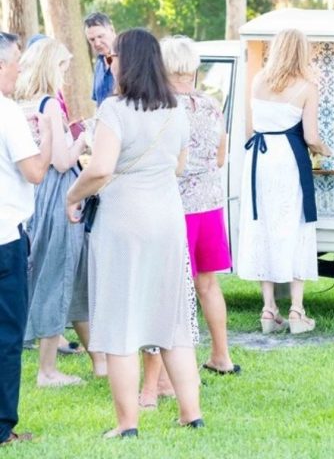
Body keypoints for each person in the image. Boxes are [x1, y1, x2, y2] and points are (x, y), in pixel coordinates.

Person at [66, 28, 203, 438]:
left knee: (121, 321)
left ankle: (127, 423)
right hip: (167, 220)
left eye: (114, 58)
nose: (110, 63)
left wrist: (72, 196)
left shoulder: (114, 110)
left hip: (124, 222)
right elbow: (178, 167)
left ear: (125, 62)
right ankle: (190, 413)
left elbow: (101, 167)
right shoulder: (177, 110)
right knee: (172, 319)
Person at [236, 29, 330, 335]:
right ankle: (296, 311)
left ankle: (268, 309)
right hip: (288, 161)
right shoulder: (307, 87)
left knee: (264, 225)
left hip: (260, 160)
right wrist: (324, 150)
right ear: (302, 53)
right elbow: (311, 136)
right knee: (293, 226)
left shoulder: (258, 80)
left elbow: (252, 127)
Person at [14, 38, 95, 387]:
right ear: (51, 67)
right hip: (58, 193)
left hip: (33, 192)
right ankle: (47, 370)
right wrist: (84, 138)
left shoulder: (19, 103)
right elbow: (62, 161)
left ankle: (99, 359)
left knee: (73, 276)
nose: (64, 74)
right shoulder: (48, 105)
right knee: (57, 275)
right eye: (62, 67)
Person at [160, 36, 237, 375]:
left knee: (173, 288)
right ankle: (222, 355)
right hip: (210, 203)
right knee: (208, 283)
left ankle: (171, 368)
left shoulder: (162, 106)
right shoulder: (210, 104)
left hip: (177, 204)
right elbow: (220, 157)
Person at [0, 32, 53, 446]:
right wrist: (47, 135)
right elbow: (35, 172)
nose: (19, 70)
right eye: (16, 62)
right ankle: (2, 426)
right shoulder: (6, 112)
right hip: (4, 239)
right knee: (7, 335)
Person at [83, 13, 116, 107]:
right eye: (92, 40)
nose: (97, 43)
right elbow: (98, 104)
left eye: (101, 36)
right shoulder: (99, 64)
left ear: (112, 30)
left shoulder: (130, 59)